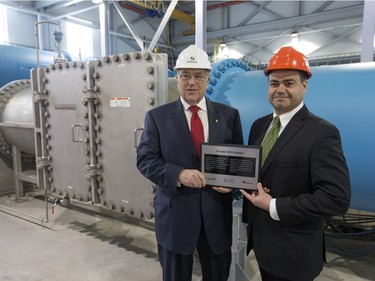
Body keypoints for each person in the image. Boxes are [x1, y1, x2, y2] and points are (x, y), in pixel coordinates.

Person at [241, 46, 351, 281]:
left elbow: (336, 198)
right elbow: (256, 177)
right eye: (274, 83)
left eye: (288, 83)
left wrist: (274, 206)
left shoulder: (322, 133)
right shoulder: (259, 126)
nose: (280, 89)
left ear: (304, 85)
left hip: (295, 252)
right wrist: (230, 185)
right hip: (262, 245)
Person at [136, 45, 243, 281]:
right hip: (175, 216)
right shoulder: (157, 117)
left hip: (216, 215)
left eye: (198, 76)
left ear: (207, 79)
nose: (191, 82)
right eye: (185, 75)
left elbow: (237, 163)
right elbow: (145, 160)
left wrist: (233, 185)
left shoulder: (229, 116)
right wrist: (178, 174)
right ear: (177, 78)